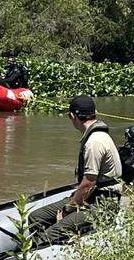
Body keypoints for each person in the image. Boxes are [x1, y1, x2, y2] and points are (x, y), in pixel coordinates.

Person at [28, 95, 123, 242]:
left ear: (72, 116)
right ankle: (33, 249)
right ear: (95, 113)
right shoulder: (95, 136)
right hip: (92, 197)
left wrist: (68, 209)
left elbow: (88, 184)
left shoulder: (94, 142)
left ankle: (42, 250)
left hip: (102, 203)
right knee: (36, 217)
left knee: (51, 234)